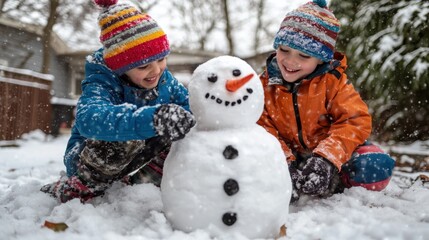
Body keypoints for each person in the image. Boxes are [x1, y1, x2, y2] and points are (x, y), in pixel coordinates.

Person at [41, 0, 195, 203]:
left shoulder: (165, 80)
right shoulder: (101, 83)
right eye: (143, 66)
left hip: (134, 156)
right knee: (124, 132)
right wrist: (151, 120)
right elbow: (88, 119)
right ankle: (78, 188)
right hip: (90, 160)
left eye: (161, 59)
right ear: (121, 66)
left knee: (183, 128)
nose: (156, 70)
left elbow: (192, 109)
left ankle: (142, 185)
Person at [257, 0, 395, 203]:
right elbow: (263, 127)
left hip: (334, 154)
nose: (290, 61)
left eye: (304, 55)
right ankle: (291, 176)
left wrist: (327, 158)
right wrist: (283, 162)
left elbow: (355, 120)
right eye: (284, 50)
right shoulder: (264, 86)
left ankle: (339, 179)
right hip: (293, 156)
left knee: (375, 167)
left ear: (321, 59)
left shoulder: (334, 83)